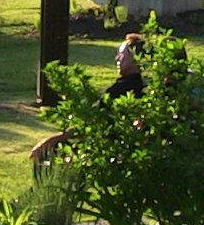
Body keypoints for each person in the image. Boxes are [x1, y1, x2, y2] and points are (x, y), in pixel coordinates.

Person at [29, 34, 148, 174]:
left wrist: (54, 139)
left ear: (135, 59)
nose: (117, 58)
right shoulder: (143, 87)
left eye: (122, 55)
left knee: (53, 150)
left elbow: (92, 122)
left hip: (108, 149)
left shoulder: (120, 90)